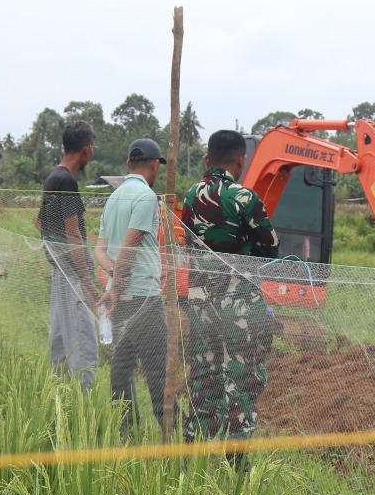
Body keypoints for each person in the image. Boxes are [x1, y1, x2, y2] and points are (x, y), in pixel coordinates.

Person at [179, 129, 280, 445]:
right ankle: (237, 456)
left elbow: (190, 244)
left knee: (204, 376)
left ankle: (195, 449)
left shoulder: (191, 196)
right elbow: (271, 249)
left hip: (199, 303)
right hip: (238, 304)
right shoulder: (245, 198)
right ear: (241, 160)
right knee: (242, 377)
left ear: (207, 159)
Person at [96, 138, 168, 436]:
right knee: (158, 370)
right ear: (154, 166)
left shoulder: (114, 198)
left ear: (128, 165)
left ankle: (128, 433)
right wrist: (118, 283)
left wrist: (113, 280)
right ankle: (170, 440)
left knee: (122, 368)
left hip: (121, 298)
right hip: (143, 297)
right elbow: (130, 247)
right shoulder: (146, 197)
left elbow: (100, 250)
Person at [38, 121, 101, 391]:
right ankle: (83, 413)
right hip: (72, 278)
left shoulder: (53, 177)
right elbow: (73, 234)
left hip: (59, 274)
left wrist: (55, 253)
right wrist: (87, 281)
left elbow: (39, 223)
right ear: (86, 149)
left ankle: (59, 404)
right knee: (82, 347)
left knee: (61, 346)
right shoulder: (66, 181)